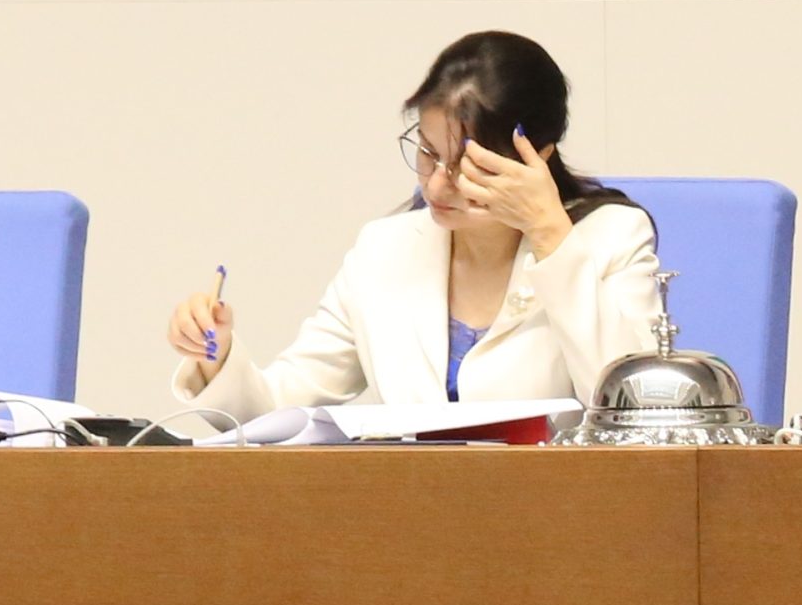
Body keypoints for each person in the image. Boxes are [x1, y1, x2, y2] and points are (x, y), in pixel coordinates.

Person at [163, 31, 662, 417]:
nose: (437, 186)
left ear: (538, 157)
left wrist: (551, 234)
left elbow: (637, 410)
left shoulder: (612, 239)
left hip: (560, 510)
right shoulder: (385, 250)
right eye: (427, 153)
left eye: (467, 165)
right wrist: (215, 356)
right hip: (408, 508)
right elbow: (278, 409)